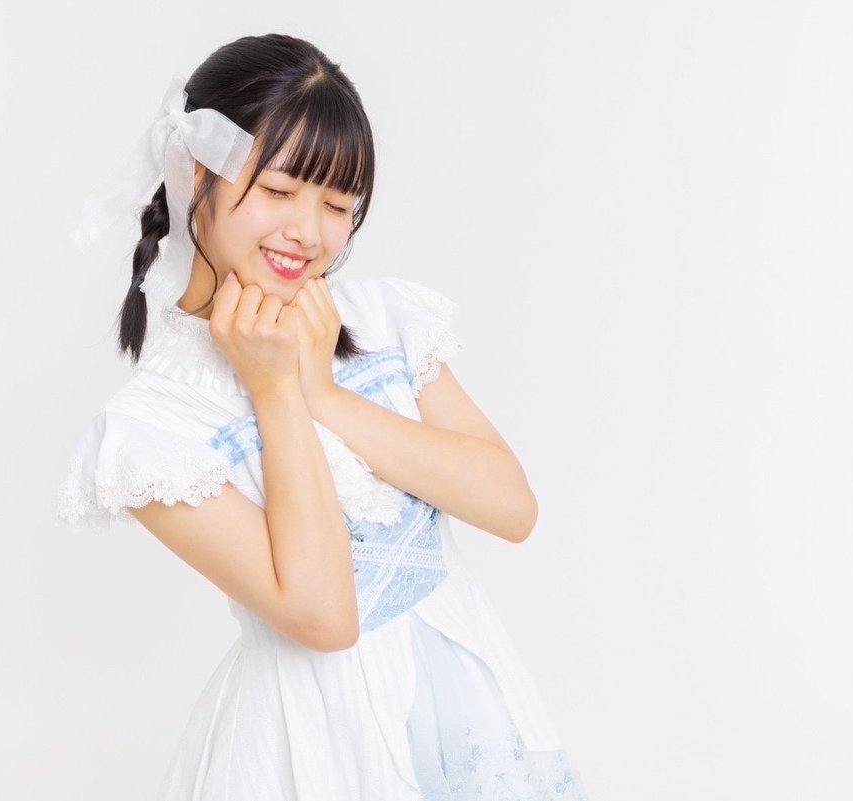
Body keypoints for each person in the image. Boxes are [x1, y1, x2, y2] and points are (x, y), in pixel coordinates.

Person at [57, 33, 591, 801]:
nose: (308, 232)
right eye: (279, 191)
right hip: (310, 750)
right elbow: (323, 614)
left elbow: (511, 507)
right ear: (195, 173)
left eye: (337, 205)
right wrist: (275, 392)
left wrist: (325, 396)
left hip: (467, 719)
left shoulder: (384, 319)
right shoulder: (153, 428)